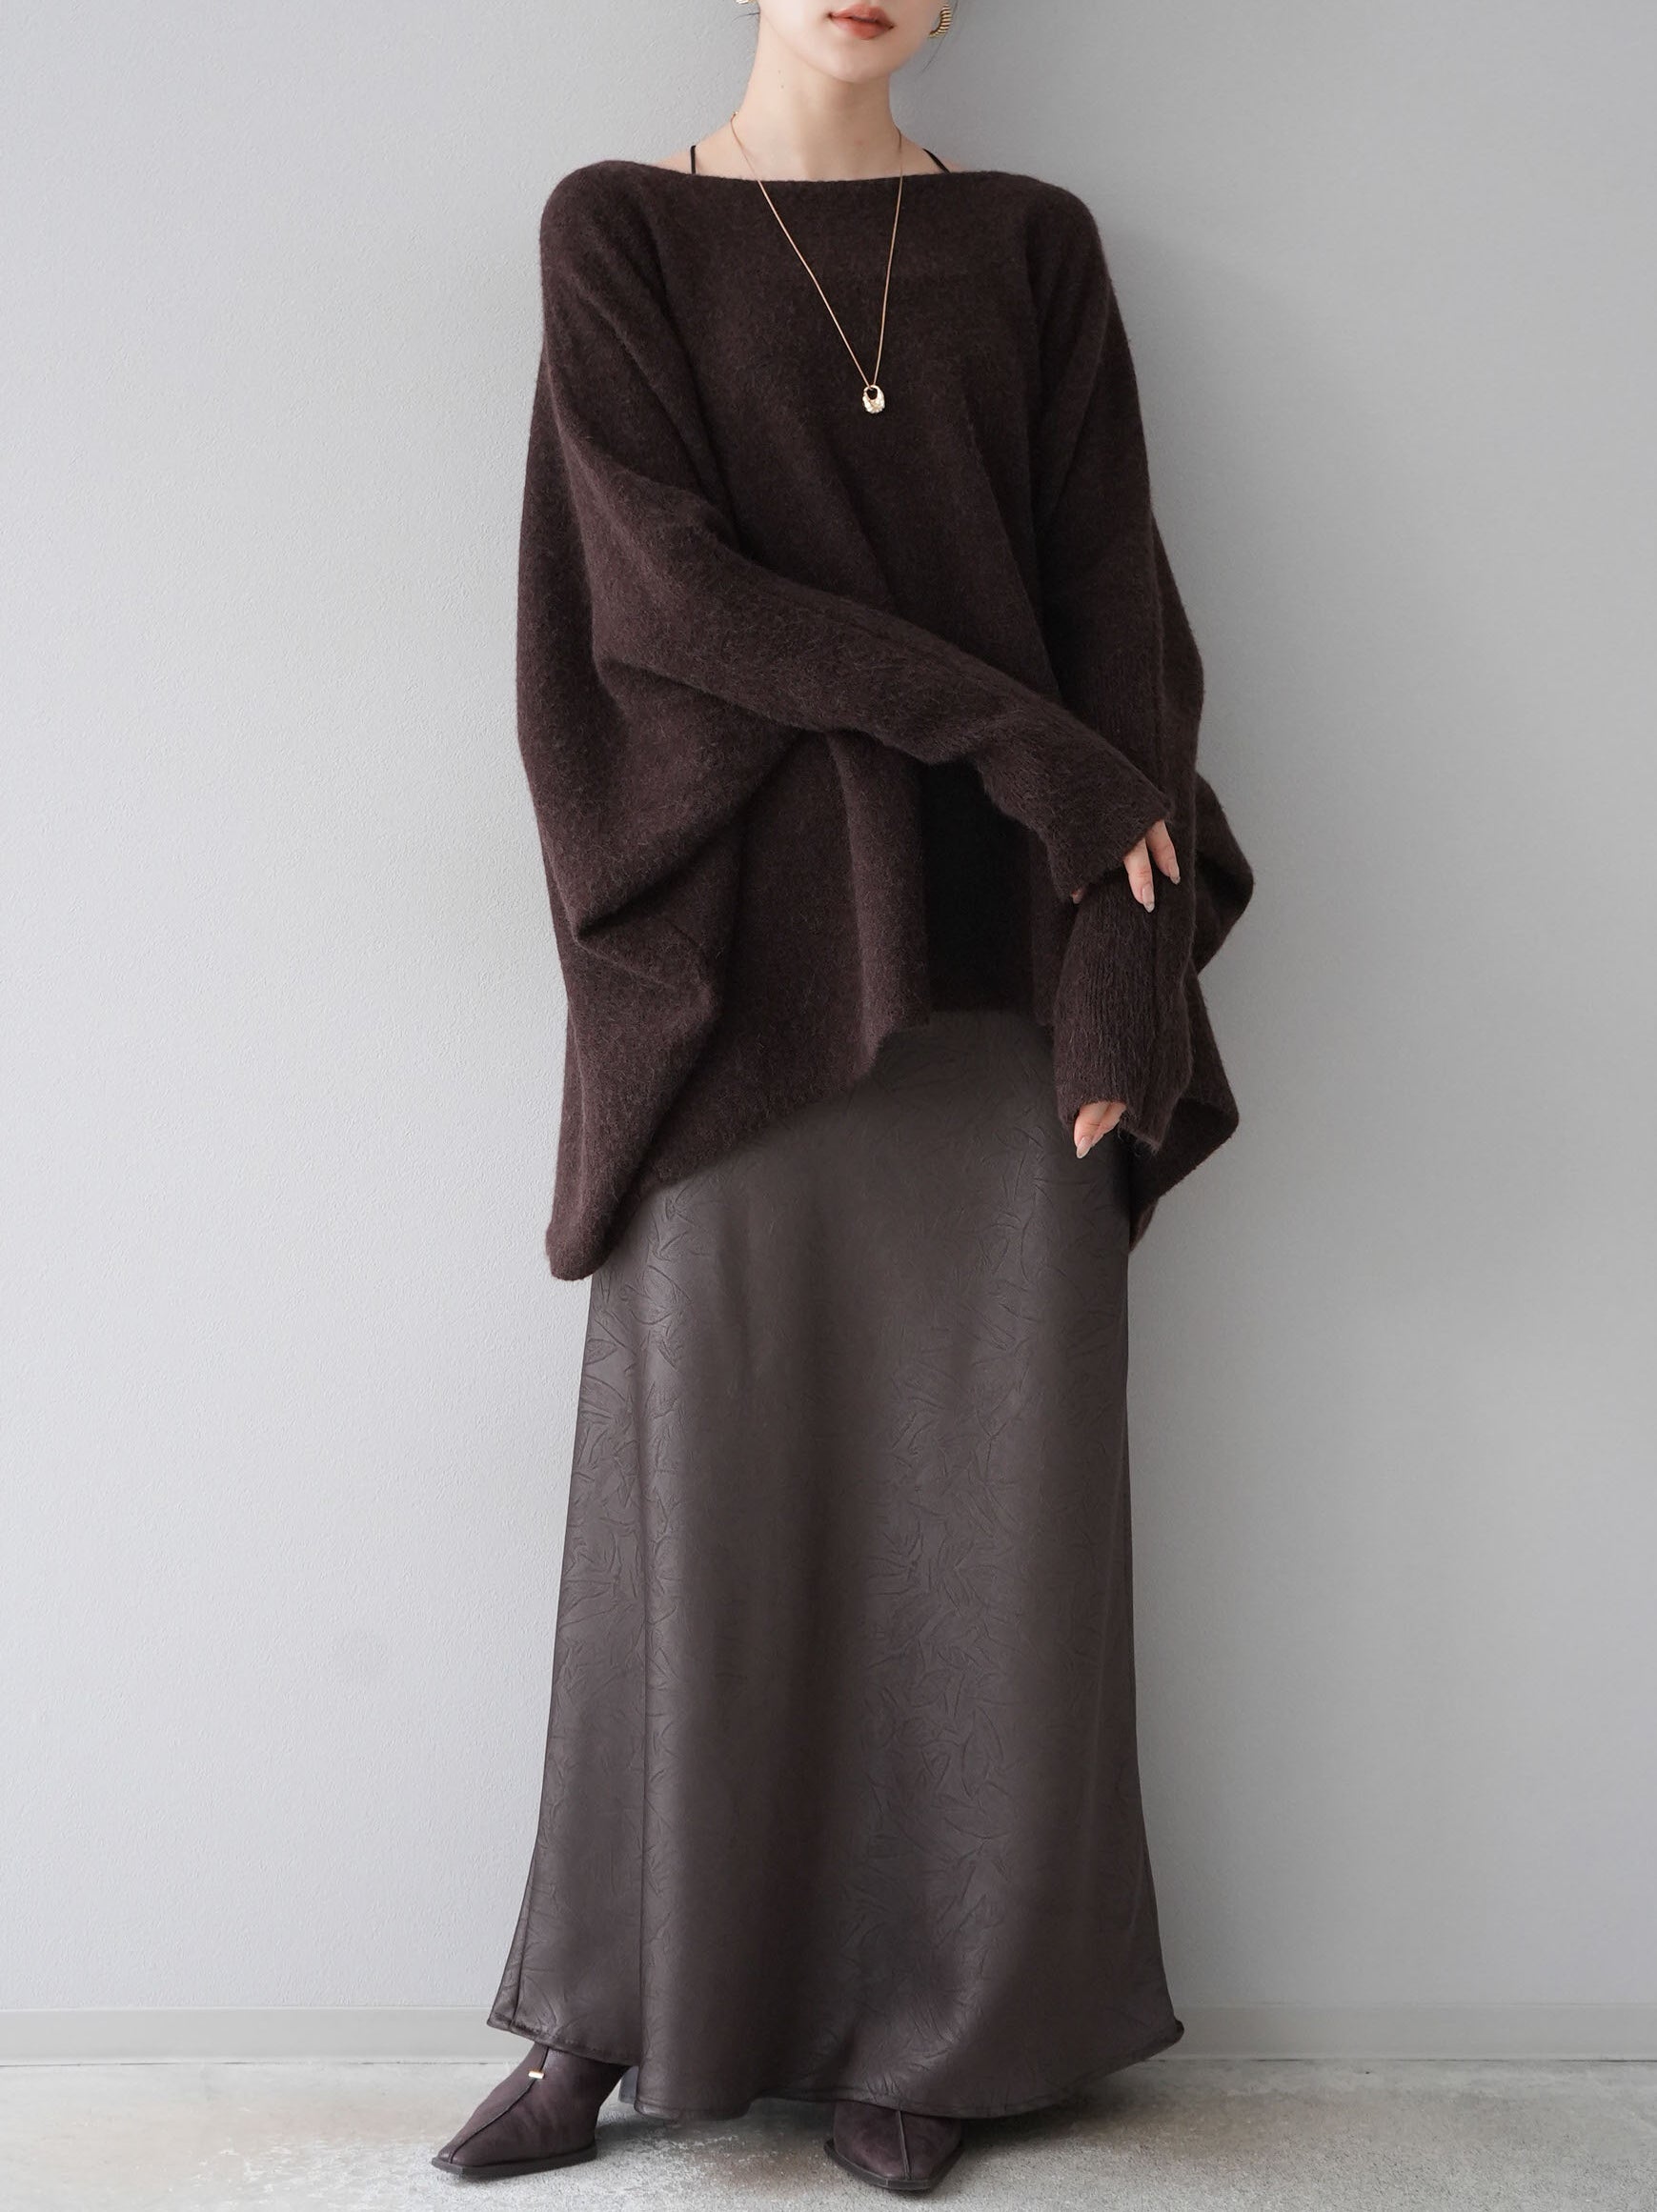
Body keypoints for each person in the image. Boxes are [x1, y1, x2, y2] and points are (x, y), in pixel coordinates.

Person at [433, 0, 1254, 2193]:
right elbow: (672, 601)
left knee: (996, 1508)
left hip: (1005, 974)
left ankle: (943, 2031)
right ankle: (618, 2014)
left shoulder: (1033, 243)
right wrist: (1020, 746)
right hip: (743, 974)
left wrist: (1123, 1000)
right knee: (694, 1500)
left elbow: (1117, 629)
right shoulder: (618, 227)